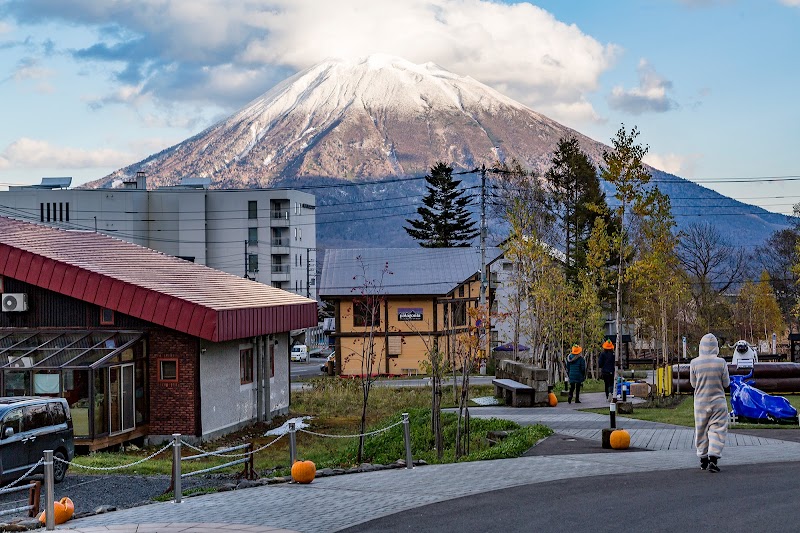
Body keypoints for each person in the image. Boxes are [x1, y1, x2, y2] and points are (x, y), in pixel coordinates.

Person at [690, 333, 730, 473]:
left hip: (700, 402)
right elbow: (726, 383)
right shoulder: (721, 363)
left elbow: (693, 384)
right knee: (717, 429)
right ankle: (713, 457)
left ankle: (703, 459)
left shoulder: (694, 363)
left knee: (701, 430)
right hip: (718, 402)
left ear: (701, 347)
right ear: (716, 348)